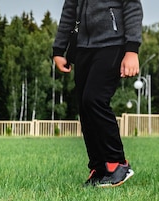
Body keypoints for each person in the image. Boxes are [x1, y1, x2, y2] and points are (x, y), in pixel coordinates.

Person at [53, 0, 143, 187]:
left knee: (95, 100)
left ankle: (117, 163)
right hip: (83, 48)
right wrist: (59, 49)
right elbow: (69, 10)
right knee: (85, 106)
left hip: (113, 44)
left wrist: (132, 49)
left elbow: (132, 7)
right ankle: (99, 167)